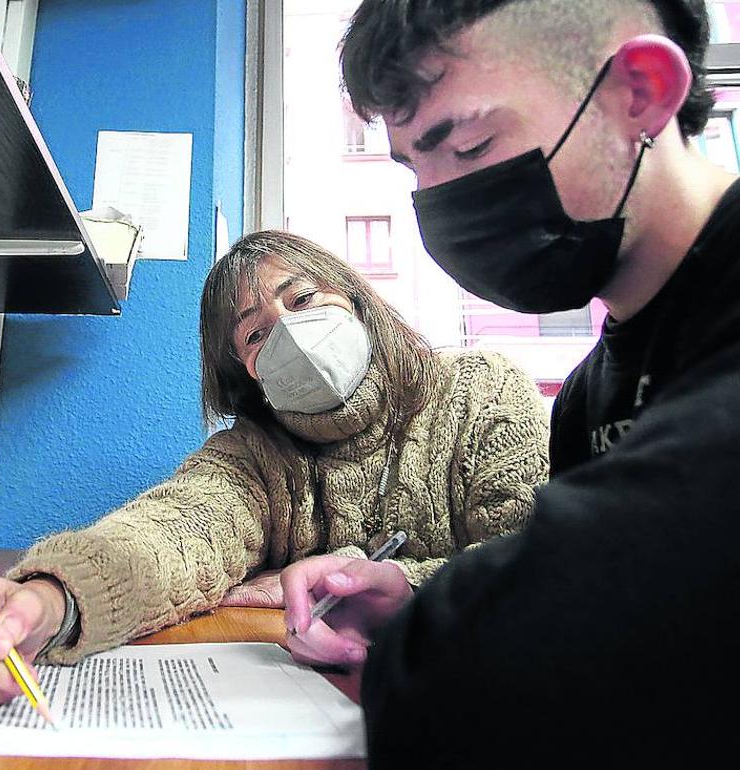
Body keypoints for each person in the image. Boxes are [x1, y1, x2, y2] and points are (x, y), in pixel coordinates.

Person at [278, 0, 740, 766]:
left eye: (469, 145)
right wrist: (412, 598)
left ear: (642, 91)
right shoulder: (592, 392)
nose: (438, 203)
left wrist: (448, 635)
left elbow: (494, 671)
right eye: (414, 168)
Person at [0, 230, 549, 709]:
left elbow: (542, 565)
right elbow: (173, 532)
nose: (291, 332)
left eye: (303, 298)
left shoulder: (483, 391)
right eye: (255, 335)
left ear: (354, 299)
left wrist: (403, 588)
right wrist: (49, 599)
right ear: (245, 374)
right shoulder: (253, 455)